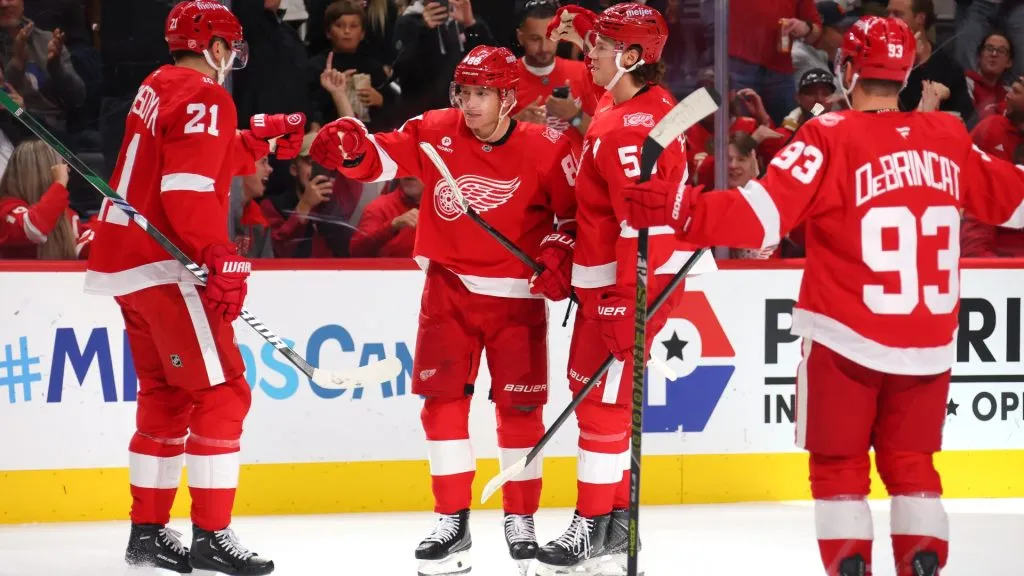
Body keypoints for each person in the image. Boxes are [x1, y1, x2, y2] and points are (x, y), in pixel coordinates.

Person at [621, 16, 1024, 576]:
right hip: (928, 345)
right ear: (906, 72)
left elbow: (759, 217)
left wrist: (677, 209)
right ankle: (923, 564)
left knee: (839, 468)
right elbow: (1015, 200)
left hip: (845, 339)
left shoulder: (830, 134)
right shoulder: (950, 138)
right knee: (914, 466)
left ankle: (851, 567)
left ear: (848, 68)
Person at [310, 45, 578, 576]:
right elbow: (379, 158)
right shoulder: (435, 128)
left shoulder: (549, 147)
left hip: (516, 298)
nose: (471, 104)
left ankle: (520, 517)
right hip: (449, 289)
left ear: (509, 97)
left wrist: (558, 252)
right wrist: (349, 148)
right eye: (465, 92)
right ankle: (451, 519)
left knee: (520, 412)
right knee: (441, 404)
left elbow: (571, 218)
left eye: (483, 93)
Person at [83, 3, 305, 574]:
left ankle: (148, 534)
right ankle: (212, 535)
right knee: (225, 394)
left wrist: (254, 140)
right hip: (166, 263)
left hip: (127, 262)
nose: (230, 60)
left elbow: (187, 156)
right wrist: (218, 254)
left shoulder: (158, 84)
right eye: (229, 48)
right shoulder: (206, 95)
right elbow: (185, 188)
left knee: (166, 397)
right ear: (213, 46)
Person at [534, 4, 715, 576]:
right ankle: (613, 526)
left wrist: (627, 300)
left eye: (603, 46)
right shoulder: (635, 105)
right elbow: (615, 205)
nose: (591, 55)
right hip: (617, 282)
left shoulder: (629, 130)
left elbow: (648, 226)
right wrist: (573, 250)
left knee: (602, 407)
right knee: (599, 399)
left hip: (631, 286)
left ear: (632, 58)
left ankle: (590, 528)